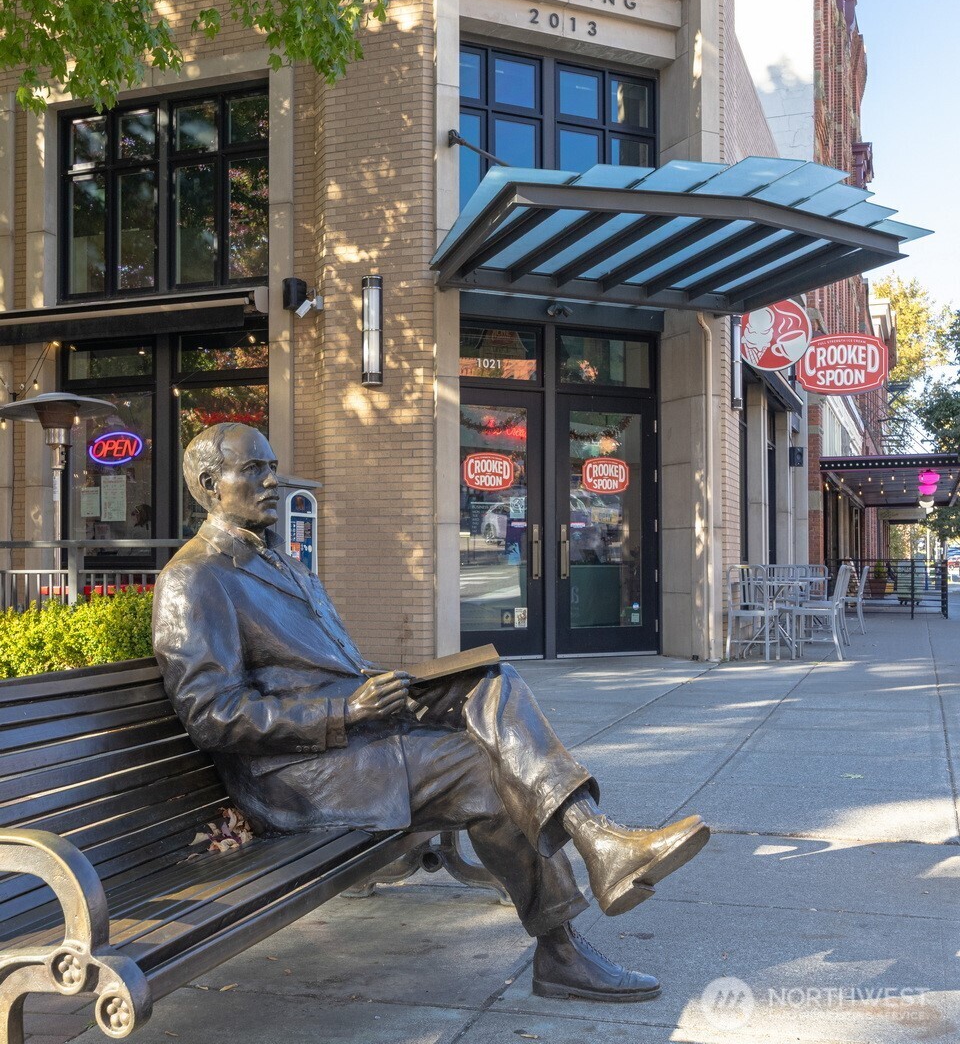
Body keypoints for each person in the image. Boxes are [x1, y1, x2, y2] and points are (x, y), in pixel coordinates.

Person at [152, 423, 709, 1003]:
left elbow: (324, 665)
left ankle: (597, 847)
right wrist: (346, 708)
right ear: (211, 486)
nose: (272, 480)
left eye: (272, 466)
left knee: (492, 678)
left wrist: (398, 689)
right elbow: (210, 713)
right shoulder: (194, 579)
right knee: (485, 770)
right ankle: (571, 928)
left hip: (350, 740)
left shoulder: (284, 564)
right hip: (293, 776)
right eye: (254, 470)